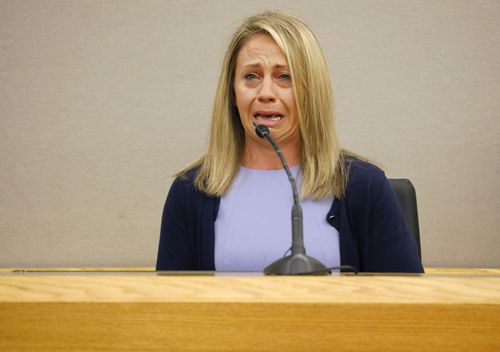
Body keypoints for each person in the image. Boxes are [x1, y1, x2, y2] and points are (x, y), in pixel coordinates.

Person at [156, 11, 423, 273]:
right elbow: (169, 308)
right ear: (232, 93)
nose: (266, 93)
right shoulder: (190, 192)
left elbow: (409, 305)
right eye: (251, 76)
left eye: (285, 77)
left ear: (311, 91)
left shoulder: (364, 186)